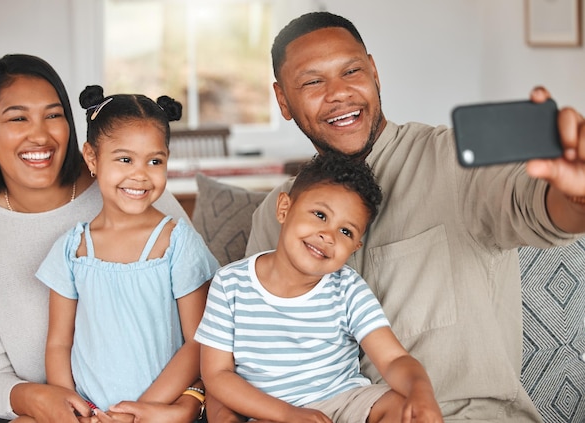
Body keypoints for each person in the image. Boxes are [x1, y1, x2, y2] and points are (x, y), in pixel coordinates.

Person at [222, 11, 585, 423]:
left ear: (374, 72)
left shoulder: (452, 163)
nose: (339, 93)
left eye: (351, 71)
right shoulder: (275, 215)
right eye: (312, 82)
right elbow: (239, 360)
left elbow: (538, 208)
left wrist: (575, 196)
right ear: (283, 100)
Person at [0, 54, 197, 423]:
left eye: (53, 115)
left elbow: (211, 328)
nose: (39, 135)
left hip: (161, 406)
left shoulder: (136, 193)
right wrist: (48, 402)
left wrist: (187, 402)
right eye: (18, 117)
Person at [196, 153, 443, 423]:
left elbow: (394, 359)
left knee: (399, 406)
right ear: (284, 209)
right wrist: (288, 414)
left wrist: (421, 393)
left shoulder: (348, 288)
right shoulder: (230, 284)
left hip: (344, 402)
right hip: (272, 411)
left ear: (355, 247)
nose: (328, 235)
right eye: (320, 215)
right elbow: (217, 375)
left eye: (346, 232)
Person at [36, 85, 219, 421]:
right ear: (92, 158)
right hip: (89, 415)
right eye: (124, 159)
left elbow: (198, 343)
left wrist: (138, 412)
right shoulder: (72, 248)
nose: (140, 174)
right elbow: (59, 343)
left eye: (155, 160)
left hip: (158, 411)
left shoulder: (176, 242)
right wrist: (72, 410)